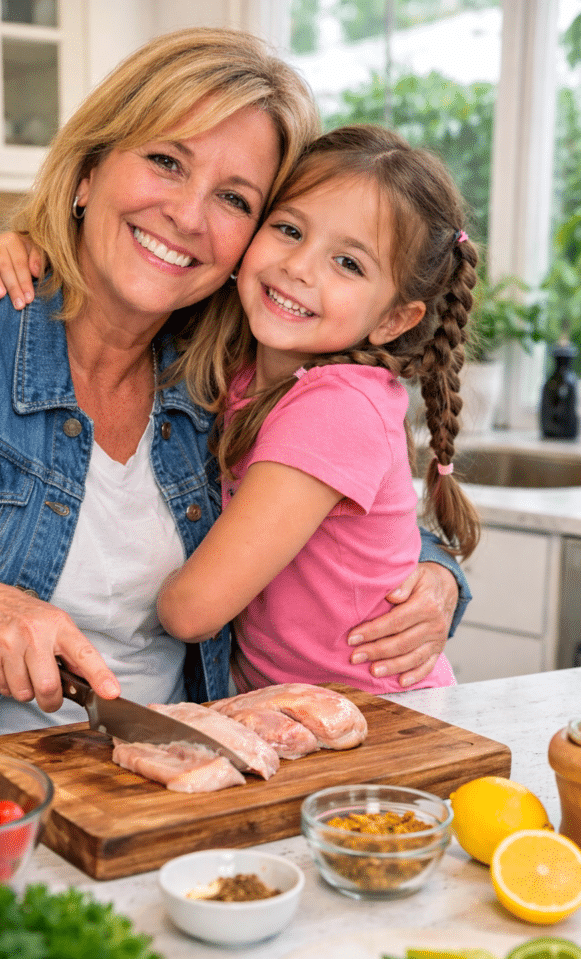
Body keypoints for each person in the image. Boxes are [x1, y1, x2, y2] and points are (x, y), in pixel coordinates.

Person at [0, 29, 466, 752]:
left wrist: (439, 579)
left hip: (168, 797)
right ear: (87, 171)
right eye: (166, 161)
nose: (189, 216)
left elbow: (348, 526)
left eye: (233, 198)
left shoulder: (227, 374)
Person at [156, 124, 480, 693]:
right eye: (288, 229)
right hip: (313, 715)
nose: (300, 267)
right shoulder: (247, 367)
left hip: (383, 727)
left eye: (348, 264)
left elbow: (191, 611)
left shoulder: (335, 408)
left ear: (393, 320)